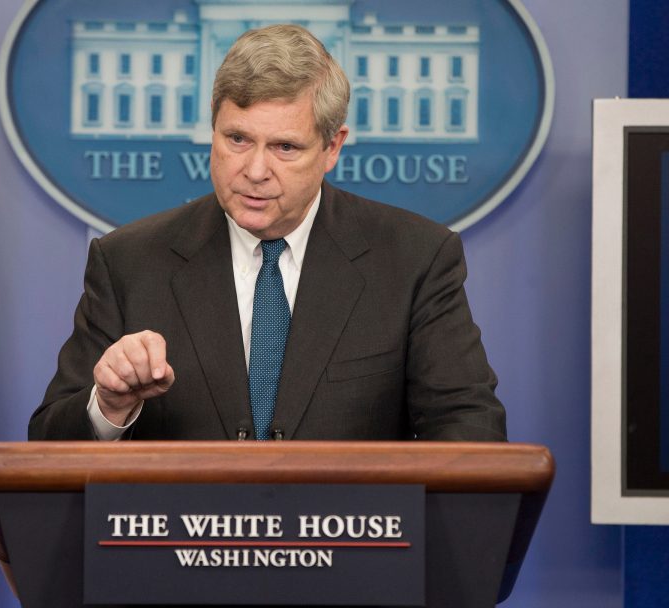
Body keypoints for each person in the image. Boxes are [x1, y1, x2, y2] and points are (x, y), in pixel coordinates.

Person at [29, 24, 506, 442]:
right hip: (180, 541)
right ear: (212, 128)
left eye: (284, 147)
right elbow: (48, 443)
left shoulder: (414, 259)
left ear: (332, 147)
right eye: (237, 139)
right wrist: (109, 407)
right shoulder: (128, 262)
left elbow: (469, 428)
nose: (255, 170)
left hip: (352, 541)